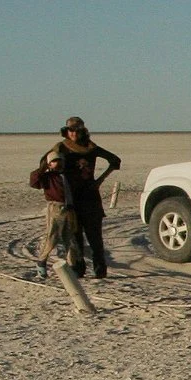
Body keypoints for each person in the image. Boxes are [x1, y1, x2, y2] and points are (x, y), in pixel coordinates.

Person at [46, 117, 121, 279]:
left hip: (90, 198)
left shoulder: (91, 148)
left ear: (82, 131)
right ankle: (79, 270)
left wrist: (99, 181)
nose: (73, 134)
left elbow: (115, 161)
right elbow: (45, 165)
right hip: (71, 198)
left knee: (95, 237)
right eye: (71, 130)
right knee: (75, 236)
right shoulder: (61, 147)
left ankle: (100, 271)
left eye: (76, 130)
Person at [25, 150, 81, 280]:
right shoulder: (48, 177)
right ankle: (41, 262)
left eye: (59, 161)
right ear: (49, 164)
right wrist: (43, 168)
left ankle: (72, 267)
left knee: (70, 239)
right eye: (54, 161)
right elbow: (34, 182)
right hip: (55, 208)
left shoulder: (66, 175)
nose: (58, 164)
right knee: (52, 237)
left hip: (69, 209)